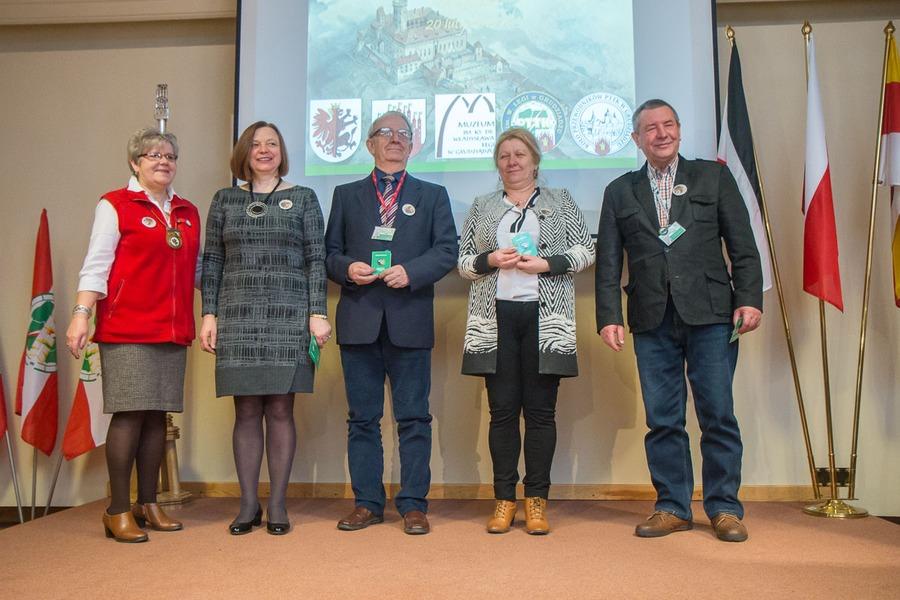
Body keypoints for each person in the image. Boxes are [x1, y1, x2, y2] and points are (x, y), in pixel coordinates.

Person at [595, 99, 763, 542]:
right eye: (651, 128)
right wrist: (609, 316)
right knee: (663, 419)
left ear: (680, 130)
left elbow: (743, 245)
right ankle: (672, 506)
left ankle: (724, 508)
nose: (661, 133)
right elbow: (608, 263)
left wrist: (749, 299)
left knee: (718, 414)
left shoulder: (713, 176)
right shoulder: (619, 190)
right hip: (651, 318)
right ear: (636, 139)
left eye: (668, 124)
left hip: (711, 314)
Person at [325, 110, 457, 535]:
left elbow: (446, 251)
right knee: (362, 419)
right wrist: (348, 269)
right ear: (370, 144)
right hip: (359, 319)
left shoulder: (432, 195)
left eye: (403, 133)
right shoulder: (346, 195)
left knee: (414, 418)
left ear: (412, 145)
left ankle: (414, 505)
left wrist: (411, 272)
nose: (395, 139)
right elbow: (329, 254)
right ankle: (367, 503)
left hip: (410, 319)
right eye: (386, 132)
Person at [65, 128, 200, 543]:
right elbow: (97, 264)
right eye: (153, 155)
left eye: (170, 156)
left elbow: (195, 270)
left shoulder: (187, 211)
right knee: (129, 414)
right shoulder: (115, 204)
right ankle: (118, 510)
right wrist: (81, 314)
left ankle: (148, 503)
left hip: (172, 329)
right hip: (127, 327)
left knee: (157, 416)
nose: (163, 161)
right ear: (134, 163)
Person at [458, 128, 594, 535]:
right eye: (504, 156)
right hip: (494, 319)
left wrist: (547, 264)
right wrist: (489, 259)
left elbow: (586, 249)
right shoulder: (482, 206)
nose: (512, 161)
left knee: (540, 413)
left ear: (535, 161)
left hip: (546, 320)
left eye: (520, 154)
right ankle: (504, 500)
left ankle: (536, 501)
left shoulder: (560, 200)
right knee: (501, 413)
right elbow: (463, 263)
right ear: (497, 164)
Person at [200, 121, 330, 536]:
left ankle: (277, 505)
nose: (264, 150)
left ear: (282, 151)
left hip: (289, 316)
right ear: (245, 152)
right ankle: (247, 504)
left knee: (280, 409)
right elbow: (212, 261)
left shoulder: (304, 198)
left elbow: (316, 259)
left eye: (272, 143)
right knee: (245, 410)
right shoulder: (224, 199)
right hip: (237, 316)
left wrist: (317, 312)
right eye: (256, 144)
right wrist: (208, 314)